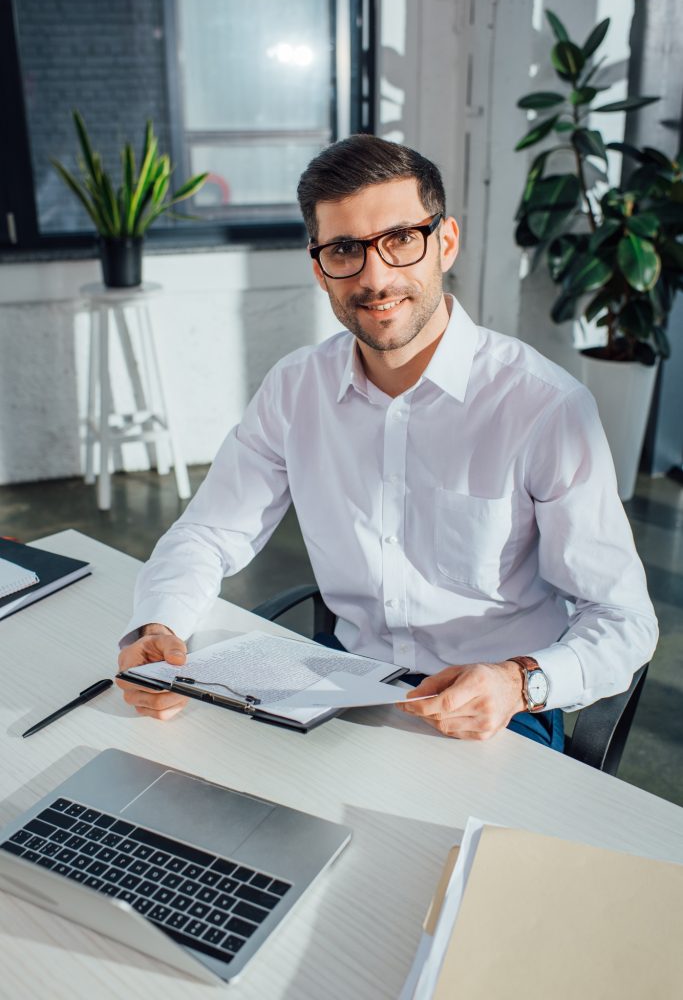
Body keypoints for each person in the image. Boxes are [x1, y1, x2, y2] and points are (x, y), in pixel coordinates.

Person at [117, 134, 658, 749]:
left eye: (402, 239)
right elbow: (208, 534)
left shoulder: (544, 407)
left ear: (445, 242)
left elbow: (623, 621)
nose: (376, 277)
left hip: (495, 706)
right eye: (346, 249)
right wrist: (156, 625)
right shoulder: (295, 389)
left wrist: (519, 683)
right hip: (341, 681)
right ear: (320, 268)